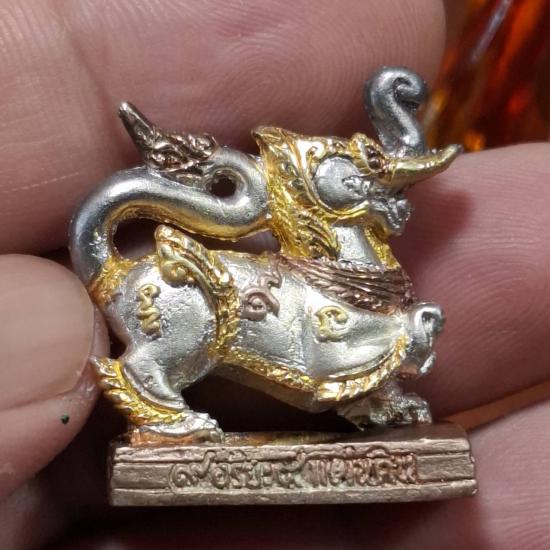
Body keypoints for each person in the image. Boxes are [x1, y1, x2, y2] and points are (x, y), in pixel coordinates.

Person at [0, 1, 547, 548]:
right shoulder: (314, 248)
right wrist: (407, 335)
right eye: (357, 175)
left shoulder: (341, 272)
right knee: (191, 329)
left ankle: (373, 404)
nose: (378, 188)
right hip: (181, 290)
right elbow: (326, 351)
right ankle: (155, 398)